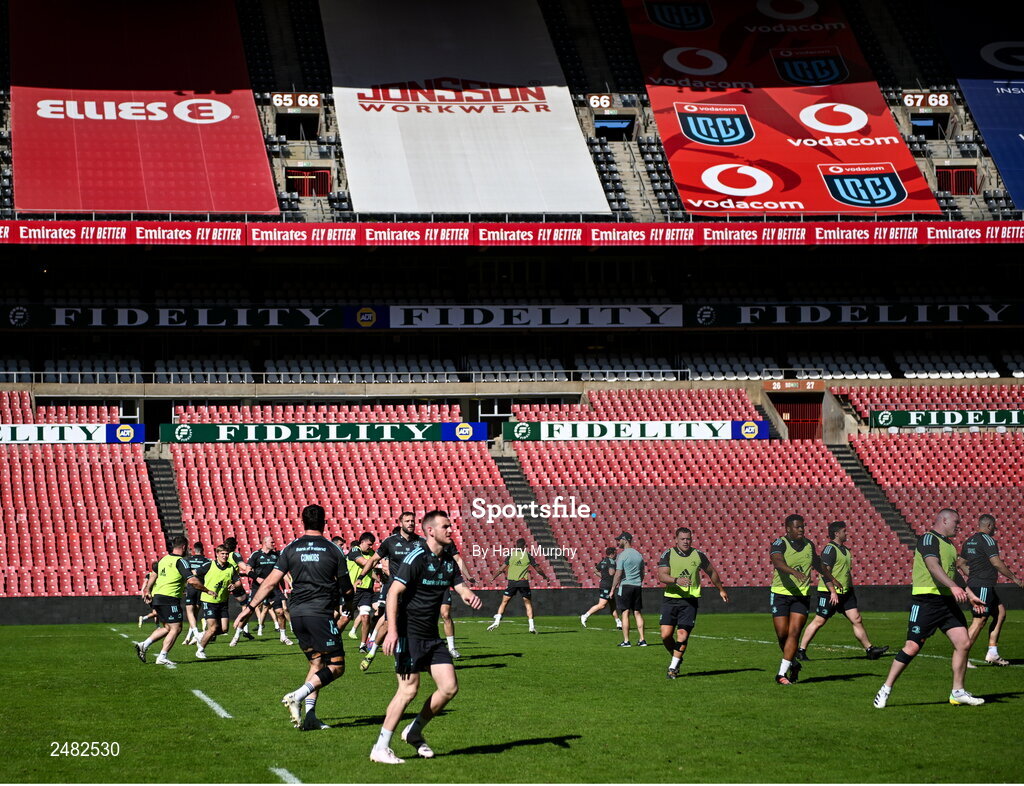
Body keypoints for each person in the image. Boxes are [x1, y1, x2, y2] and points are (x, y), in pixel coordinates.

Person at [369, 510, 482, 764]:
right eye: (445, 526)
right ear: (430, 530)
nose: (450, 530)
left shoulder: (448, 561)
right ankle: (380, 747)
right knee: (408, 690)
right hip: (409, 634)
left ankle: (414, 731)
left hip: (431, 636)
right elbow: (393, 593)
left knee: (449, 688)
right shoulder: (416, 557)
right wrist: (393, 631)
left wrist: (467, 594)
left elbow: (459, 585)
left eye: (450, 526)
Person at [234, 504, 354, 731]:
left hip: (296, 614)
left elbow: (270, 582)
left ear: (302, 521)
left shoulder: (291, 548)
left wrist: (249, 608)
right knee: (337, 666)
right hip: (319, 613)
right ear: (324, 521)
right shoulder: (333, 549)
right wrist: (348, 607)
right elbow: (347, 589)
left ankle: (310, 717)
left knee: (317, 662)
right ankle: (297, 696)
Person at [873, 508, 987, 708]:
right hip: (926, 601)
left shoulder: (950, 546)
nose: (958, 527)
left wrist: (969, 594)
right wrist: (953, 588)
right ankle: (886, 688)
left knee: (963, 643)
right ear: (944, 520)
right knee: (912, 647)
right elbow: (933, 567)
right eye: (956, 522)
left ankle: (957, 692)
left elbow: (953, 574)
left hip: (946, 602)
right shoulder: (928, 539)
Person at [796, 521, 889, 662]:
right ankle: (801, 650)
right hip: (828, 593)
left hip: (846, 593)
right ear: (836, 533)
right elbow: (824, 572)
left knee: (856, 619)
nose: (847, 533)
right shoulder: (829, 549)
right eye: (844, 531)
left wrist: (850, 589)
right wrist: (832, 592)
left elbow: (845, 573)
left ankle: (870, 650)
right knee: (819, 621)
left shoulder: (845, 550)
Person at [770, 514, 838, 685]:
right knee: (782, 635)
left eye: (802, 526)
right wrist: (793, 571)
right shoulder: (779, 543)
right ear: (788, 529)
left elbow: (819, 565)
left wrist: (832, 581)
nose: (801, 529)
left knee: (794, 633)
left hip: (801, 596)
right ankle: (793, 663)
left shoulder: (809, 545)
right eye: (797, 527)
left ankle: (781, 674)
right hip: (780, 594)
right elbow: (777, 562)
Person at [656, 527, 729, 678]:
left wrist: (721, 589)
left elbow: (712, 572)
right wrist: (677, 581)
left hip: (689, 601)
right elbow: (662, 576)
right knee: (665, 635)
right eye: (682, 539)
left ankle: (673, 667)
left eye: (688, 539)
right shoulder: (668, 554)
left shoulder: (699, 555)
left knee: (682, 634)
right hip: (670, 599)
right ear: (676, 539)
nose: (685, 541)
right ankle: (677, 657)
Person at [359, 514, 424, 671]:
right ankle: (371, 653)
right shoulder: (390, 542)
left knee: (413, 627)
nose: (411, 523)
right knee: (388, 625)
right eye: (407, 521)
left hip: (415, 593)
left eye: (412, 521)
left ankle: (406, 658)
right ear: (400, 523)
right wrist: (361, 576)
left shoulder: (422, 542)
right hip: (395, 592)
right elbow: (374, 560)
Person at [135, 535, 210, 666]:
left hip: (158, 597)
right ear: (184, 547)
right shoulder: (181, 561)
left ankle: (143, 645)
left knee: (168, 627)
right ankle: (162, 656)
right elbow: (192, 580)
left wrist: (147, 590)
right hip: (169, 598)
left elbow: (153, 574)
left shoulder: (164, 559)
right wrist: (207, 590)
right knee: (177, 628)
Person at [959, 514, 1023, 667]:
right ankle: (961, 656)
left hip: (980, 584)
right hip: (982, 586)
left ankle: (992, 653)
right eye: (994, 526)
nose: (995, 529)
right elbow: (996, 563)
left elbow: (960, 563)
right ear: (989, 526)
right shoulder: (988, 540)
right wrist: (1014, 578)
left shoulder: (969, 541)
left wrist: (972, 575)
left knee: (1000, 613)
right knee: (979, 621)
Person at [486, 537, 549, 633]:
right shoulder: (528, 555)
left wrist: (493, 577)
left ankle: (497, 621)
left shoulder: (511, 555)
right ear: (524, 546)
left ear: (516, 545)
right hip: (523, 583)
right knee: (528, 604)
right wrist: (544, 576)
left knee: (504, 602)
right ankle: (531, 626)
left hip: (512, 583)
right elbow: (538, 569)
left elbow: (501, 569)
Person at [194, 545, 243, 660]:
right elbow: (194, 574)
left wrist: (234, 585)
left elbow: (239, 582)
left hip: (223, 601)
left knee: (225, 629)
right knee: (213, 627)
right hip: (209, 600)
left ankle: (203, 635)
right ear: (217, 554)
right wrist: (202, 588)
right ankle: (200, 649)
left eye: (226, 554)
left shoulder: (231, 567)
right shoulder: (209, 565)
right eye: (222, 554)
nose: (225, 556)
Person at [245, 535, 293, 646]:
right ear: (265, 542)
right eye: (272, 542)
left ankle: (283, 636)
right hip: (258, 587)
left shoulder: (276, 556)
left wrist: (290, 582)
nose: (274, 544)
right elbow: (248, 570)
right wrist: (257, 578)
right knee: (249, 611)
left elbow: (282, 572)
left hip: (272, 587)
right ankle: (237, 634)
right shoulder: (256, 555)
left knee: (280, 612)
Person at [608, 533, 646, 646]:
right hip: (637, 586)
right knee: (637, 612)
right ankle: (642, 639)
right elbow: (642, 573)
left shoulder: (622, 555)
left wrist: (612, 588)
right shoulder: (638, 555)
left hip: (626, 586)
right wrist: (638, 582)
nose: (618, 542)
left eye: (619, 540)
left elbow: (618, 574)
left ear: (625, 540)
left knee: (625, 612)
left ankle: (626, 641)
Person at [438, 544, 474, 658]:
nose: (448, 531)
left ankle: (452, 648)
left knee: (445, 614)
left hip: (443, 585)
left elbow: (458, 559)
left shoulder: (448, 544)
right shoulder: (424, 543)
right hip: (427, 585)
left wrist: (467, 576)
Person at [347, 533, 378, 649]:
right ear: (362, 542)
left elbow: (371, 570)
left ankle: (363, 645)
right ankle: (333, 639)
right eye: (369, 544)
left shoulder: (371, 553)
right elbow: (365, 563)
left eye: (372, 545)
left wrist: (379, 578)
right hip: (353, 588)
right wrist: (378, 564)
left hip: (366, 590)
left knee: (365, 616)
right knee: (345, 618)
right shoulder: (355, 550)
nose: (370, 547)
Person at [580, 546, 621, 629]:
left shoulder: (603, 560)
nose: (616, 554)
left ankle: (618, 623)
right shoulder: (612, 561)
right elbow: (612, 573)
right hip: (607, 586)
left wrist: (603, 576)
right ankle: (585, 616)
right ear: (612, 554)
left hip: (605, 584)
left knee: (612, 605)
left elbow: (595, 570)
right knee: (602, 605)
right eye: (616, 553)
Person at [224, 536, 255, 643]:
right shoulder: (235, 554)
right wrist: (251, 570)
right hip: (234, 583)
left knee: (219, 605)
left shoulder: (223, 555)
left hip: (223, 583)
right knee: (245, 604)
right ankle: (244, 629)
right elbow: (243, 566)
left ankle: (214, 627)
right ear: (235, 546)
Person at [183, 542, 210, 645]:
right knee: (195, 614)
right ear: (202, 549)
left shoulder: (188, 560)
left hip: (191, 588)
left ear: (194, 549)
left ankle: (190, 636)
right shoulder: (207, 561)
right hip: (201, 588)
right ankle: (190, 636)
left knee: (190, 613)